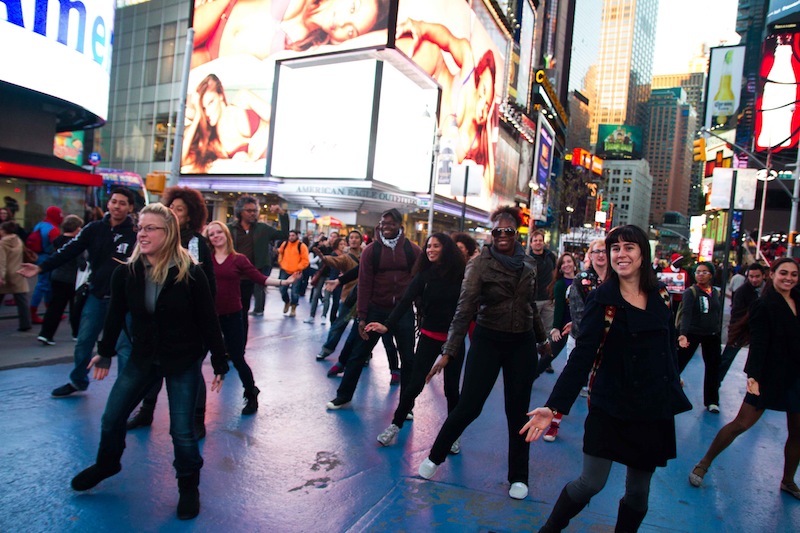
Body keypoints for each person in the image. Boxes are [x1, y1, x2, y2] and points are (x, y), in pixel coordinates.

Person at [521, 225, 691, 531]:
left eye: (629, 248)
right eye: (615, 248)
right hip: (610, 403)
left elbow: (668, 344)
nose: (621, 254)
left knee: (639, 492)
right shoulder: (603, 299)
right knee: (591, 482)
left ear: (643, 255)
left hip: (652, 408)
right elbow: (581, 357)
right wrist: (554, 406)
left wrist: (673, 378)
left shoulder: (661, 296)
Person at [69, 203, 230, 520]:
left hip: (181, 360)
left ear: (167, 233)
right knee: (111, 417)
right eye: (139, 228)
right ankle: (108, 463)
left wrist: (220, 361)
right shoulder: (126, 273)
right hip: (143, 357)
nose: (141, 234)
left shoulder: (191, 274)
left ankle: (188, 487)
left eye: (149, 228)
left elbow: (208, 320)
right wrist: (104, 351)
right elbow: (115, 316)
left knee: (182, 432)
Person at [418, 206, 551, 501]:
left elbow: (530, 305)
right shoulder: (479, 264)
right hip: (488, 340)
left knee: (518, 412)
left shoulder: (529, 264)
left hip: (522, 343)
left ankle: (519, 476)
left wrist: (542, 340)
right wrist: (449, 351)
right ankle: (434, 456)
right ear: (491, 233)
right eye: (497, 231)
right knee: (469, 406)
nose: (502, 235)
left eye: (508, 230)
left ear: (517, 233)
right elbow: (464, 309)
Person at [688, 257, 800, 502]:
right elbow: (759, 344)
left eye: (793, 274)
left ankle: (788, 480)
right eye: (784, 273)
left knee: (798, 432)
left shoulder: (798, 299)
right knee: (741, 423)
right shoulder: (764, 305)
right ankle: (703, 463)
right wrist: (753, 377)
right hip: (769, 376)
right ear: (773, 274)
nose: (789, 278)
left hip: (796, 376)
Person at [18, 188, 138, 397]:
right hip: (96, 295)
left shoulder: (136, 234)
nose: (117, 206)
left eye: (122, 203)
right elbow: (68, 250)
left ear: (130, 207)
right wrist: (40, 268)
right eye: (114, 201)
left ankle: (124, 392)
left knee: (124, 347)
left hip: (124, 300)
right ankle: (78, 380)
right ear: (108, 204)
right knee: (84, 341)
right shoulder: (93, 229)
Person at [126, 186, 217, 435]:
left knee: (192, 373)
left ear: (190, 216)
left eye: (180, 210)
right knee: (153, 369)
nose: (174, 213)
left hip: (187, 323)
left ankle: (197, 420)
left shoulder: (194, 242)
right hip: (158, 321)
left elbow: (203, 283)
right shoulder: (158, 239)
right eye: (171, 208)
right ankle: (146, 412)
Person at [367, 233, 466, 449]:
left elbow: (471, 307)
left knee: (451, 389)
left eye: (436, 246)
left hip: (454, 340)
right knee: (414, 385)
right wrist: (387, 325)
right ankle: (395, 424)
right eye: (428, 246)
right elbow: (405, 301)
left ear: (446, 249)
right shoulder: (424, 275)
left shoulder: (462, 275)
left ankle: (452, 435)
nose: (430, 250)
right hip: (429, 337)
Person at [325, 209, 421, 408]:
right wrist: (362, 316)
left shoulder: (412, 250)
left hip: (402, 312)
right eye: (383, 223)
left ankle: (406, 406)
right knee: (358, 354)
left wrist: (420, 311)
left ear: (400, 226)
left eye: (391, 224)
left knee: (408, 359)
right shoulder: (371, 250)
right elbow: (365, 283)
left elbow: (419, 281)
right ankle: (343, 396)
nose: (386, 227)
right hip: (376, 309)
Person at [205, 221, 297, 414]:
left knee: (238, 358)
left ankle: (251, 393)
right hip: (210, 318)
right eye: (211, 234)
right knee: (200, 357)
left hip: (232, 315)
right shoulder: (206, 260)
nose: (216, 236)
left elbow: (259, 278)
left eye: (219, 232)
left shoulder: (238, 259)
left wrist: (284, 282)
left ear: (226, 234)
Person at [395, 18, 497, 187]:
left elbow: (489, 183)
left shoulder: (474, 142)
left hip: (421, 132)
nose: (483, 102)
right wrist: (422, 27)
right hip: (428, 77)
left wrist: (487, 121)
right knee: (426, 49)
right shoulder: (468, 73)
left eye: (488, 103)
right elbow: (448, 39)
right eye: (484, 91)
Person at [191, 0, 392, 67]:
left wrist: (393, 31)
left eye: (351, 31)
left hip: (212, 56)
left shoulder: (313, 47)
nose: (341, 23)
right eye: (352, 9)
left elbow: (383, 41)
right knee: (180, 39)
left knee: (172, 69)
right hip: (219, 12)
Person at [181, 74, 272, 173]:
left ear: (220, 95)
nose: (207, 112)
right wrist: (198, 114)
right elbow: (183, 159)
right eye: (203, 108)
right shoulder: (216, 144)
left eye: (211, 102)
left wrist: (259, 142)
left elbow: (279, 119)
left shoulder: (243, 99)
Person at [227, 196, 289, 329]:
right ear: (240, 212)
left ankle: (240, 344)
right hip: (232, 275)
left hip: (250, 275)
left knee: (243, 311)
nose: (252, 213)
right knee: (228, 310)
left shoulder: (262, 229)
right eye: (248, 210)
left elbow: (284, 234)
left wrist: (282, 214)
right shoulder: (230, 229)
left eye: (255, 210)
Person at [677, 262, 723, 413]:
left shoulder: (715, 292)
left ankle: (712, 401)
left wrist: (717, 330)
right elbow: (686, 313)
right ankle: (667, 391)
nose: (700, 275)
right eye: (698, 272)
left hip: (712, 335)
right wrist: (683, 334)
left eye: (704, 272)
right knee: (678, 363)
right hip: (693, 333)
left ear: (711, 274)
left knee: (713, 368)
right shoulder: (691, 292)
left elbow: (717, 313)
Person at [36, 215, 85, 345]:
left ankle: (46, 334)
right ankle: (77, 333)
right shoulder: (77, 244)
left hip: (57, 276)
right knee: (75, 308)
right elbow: (82, 263)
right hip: (73, 279)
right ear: (77, 228)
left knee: (55, 307)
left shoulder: (57, 241)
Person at [315, 231, 363, 359]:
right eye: (351, 237)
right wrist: (324, 258)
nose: (353, 240)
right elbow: (334, 261)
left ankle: (365, 354)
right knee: (339, 324)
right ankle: (327, 348)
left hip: (365, 297)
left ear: (361, 240)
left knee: (363, 327)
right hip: (349, 297)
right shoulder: (345, 257)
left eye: (356, 237)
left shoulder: (366, 255)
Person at [719, 263, 766, 384]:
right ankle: (714, 386)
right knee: (726, 359)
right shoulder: (742, 291)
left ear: (763, 276)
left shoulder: (768, 290)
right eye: (751, 276)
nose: (754, 279)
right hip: (741, 329)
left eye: (757, 276)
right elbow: (736, 314)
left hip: (761, 331)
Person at [28, 206, 63, 325]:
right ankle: (33, 312)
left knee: (46, 284)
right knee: (43, 284)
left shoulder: (39, 225)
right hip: (48, 257)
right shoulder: (53, 229)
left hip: (39, 256)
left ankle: (48, 310)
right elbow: (58, 246)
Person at [0, 221, 32, 332]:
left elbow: (2, 261)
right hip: (18, 271)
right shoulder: (18, 240)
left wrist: (1, 275)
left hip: (6, 273)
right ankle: (25, 323)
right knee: (21, 300)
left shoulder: (3, 243)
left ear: (3, 231)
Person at [277, 230, 310, 317]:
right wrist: (280, 262)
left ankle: (293, 307)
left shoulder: (301, 246)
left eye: (293, 235)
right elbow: (280, 252)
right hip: (285, 270)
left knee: (295, 292)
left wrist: (298, 267)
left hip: (296, 272)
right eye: (290, 235)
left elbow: (305, 260)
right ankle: (287, 302)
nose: (291, 237)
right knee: (282, 289)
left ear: (297, 236)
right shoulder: (285, 244)